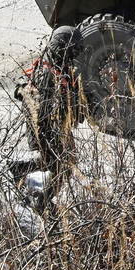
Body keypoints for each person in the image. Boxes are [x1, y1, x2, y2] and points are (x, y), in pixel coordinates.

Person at [16, 26, 83, 186]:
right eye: (74, 48)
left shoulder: (54, 60)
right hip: (47, 128)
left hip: (56, 126)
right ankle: (42, 199)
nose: (76, 53)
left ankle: (22, 172)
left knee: (67, 161)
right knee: (62, 165)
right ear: (63, 47)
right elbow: (42, 114)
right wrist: (46, 141)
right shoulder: (47, 74)